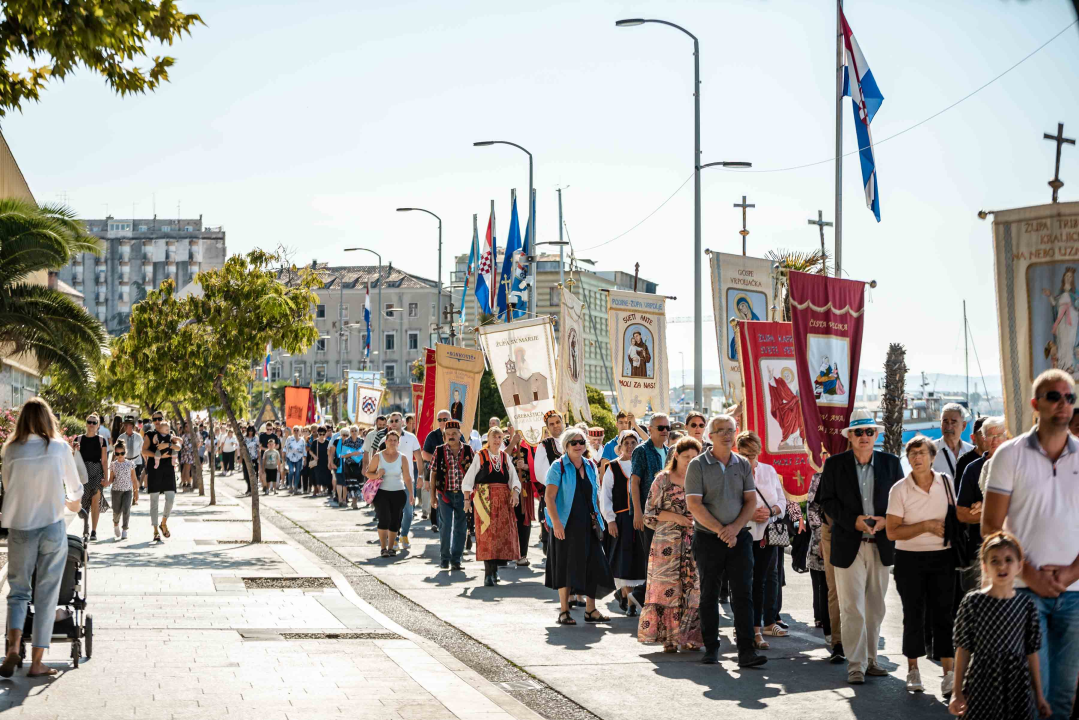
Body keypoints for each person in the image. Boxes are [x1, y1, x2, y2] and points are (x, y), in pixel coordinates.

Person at [983, 369, 1079, 719]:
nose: (1063, 404)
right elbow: (991, 527)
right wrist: (1031, 574)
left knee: (1063, 696)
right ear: (1036, 404)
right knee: (1028, 693)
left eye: (1070, 398)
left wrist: (1071, 573)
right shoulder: (1009, 455)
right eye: (1054, 397)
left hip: (1075, 593)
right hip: (1023, 592)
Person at [817, 408, 903, 684]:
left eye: (869, 431)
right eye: (858, 432)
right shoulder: (834, 464)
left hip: (881, 544)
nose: (864, 436)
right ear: (850, 436)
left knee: (875, 607)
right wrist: (852, 521)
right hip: (848, 544)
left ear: (876, 435)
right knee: (852, 606)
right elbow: (826, 502)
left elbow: (902, 500)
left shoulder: (892, 463)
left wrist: (886, 520)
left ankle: (872, 660)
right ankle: (856, 665)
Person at [0, 398, 84, 678]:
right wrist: (70, 504)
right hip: (51, 525)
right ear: (49, 419)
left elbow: (9, 486)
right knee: (47, 594)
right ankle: (37, 663)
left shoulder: (11, 449)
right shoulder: (59, 448)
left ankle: (13, 647)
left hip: (20, 526)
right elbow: (75, 491)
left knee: (18, 591)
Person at [684, 414, 764, 668]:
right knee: (709, 593)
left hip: (739, 538)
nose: (728, 435)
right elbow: (694, 505)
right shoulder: (697, 465)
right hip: (708, 539)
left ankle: (746, 651)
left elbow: (750, 501)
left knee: (743, 594)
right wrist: (722, 531)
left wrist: (735, 529)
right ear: (710, 436)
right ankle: (711, 647)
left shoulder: (742, 463)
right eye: (722, 430)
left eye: (731, 430)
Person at [950, 531, 1051, 720]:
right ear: (984, 566)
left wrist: (1039, 696)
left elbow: (1032, 652)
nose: (1002, 566)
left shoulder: (1026, 605)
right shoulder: (973, 602)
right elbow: (963, 649)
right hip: (981, 682)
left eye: (1008, 560)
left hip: (1016, 686)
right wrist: (956, 692)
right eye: (994, 561)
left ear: (1019, 565)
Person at [885, 435, 956, 695]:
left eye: (922, 453)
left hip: (943, 557)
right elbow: (892, 532)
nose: (917, 458)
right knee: (913, 615)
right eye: (912, 454)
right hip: (909, 559)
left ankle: (948, 674)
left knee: (944, 616)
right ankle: (913, 670)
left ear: (932, 457)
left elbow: (955, 516)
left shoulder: (946, 482)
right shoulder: (899, 489)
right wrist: (925, 526)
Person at [638, 436, 703, 652]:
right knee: (666, 588)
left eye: (694, 457)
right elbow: (649, 513)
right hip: (666, 544)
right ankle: (669, 638)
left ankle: (690, 637)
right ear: (676, 456)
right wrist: (677, 518)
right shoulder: (662, 480)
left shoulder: (699, 479)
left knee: (692, 587)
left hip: (694, 541)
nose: (690, 461)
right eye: (686, 457)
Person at [544, 427, 615, 625]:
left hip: (588, 524)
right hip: (565, 524)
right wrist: (556, 523)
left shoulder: (590, 465)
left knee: (594, 565)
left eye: (581, 442)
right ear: (565, 445)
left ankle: (591, 610)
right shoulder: (558, 466)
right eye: (573, 442)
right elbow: (549, 497)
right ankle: (564, 611)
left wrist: (600, 520)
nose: (578, 446)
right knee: (565, 567)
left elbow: (595, 496)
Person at [737, 430, 788, 649]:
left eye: (753, 455)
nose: (749, 460)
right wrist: (749, 514)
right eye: (745, 455)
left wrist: (772, 511)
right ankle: (743, 627)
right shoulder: (733, 472)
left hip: (767, 536)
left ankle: (757, 631)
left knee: (760, 582)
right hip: (742, 534)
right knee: (741, 583)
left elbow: (782, 502)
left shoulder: (769, 471)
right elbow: (727, 504)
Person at [956, 416, 1007, 603]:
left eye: (999, 435)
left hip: (1013, 551)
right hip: (980, 551)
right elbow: (962, 513)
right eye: (990, 436)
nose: (994, 440)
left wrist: (984, 508)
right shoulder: (973, 469)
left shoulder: (1017, 465)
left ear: (1007, 437)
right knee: (979, 607)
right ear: (983, 439)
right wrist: (997, 510)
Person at [462, 426, 522, 586]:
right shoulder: (480, 456)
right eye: (494, 437)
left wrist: (515, 493)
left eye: (499, 437)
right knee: (487, 536)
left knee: (500, 536)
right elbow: (468, 480)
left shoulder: (504, 457)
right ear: (488, 439)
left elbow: (514, 479)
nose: (496, 440)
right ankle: (488, 574)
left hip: (503, 500)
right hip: (484, 499)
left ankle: (494, 570)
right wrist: (467, 499)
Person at [600, 430, 647, 613]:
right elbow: (606, 496)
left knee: (640, 559)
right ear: (619, 446)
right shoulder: (612, 467)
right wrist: (610, 520)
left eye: (633, 442)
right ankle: (629, 601)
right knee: (624, 560)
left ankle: (636, 597)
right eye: (626, 443)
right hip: (621, 520)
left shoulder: (642, 465)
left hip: (641, 518)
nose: (630, 446)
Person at [628, 414, 670, 610]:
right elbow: (634, 482)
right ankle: (644, 598)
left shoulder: (669, 452)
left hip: (666, 515)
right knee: (651, 559)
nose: (665, 431)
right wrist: (638, 512)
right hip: (648, 515)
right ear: (650, 429)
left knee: (663, 559)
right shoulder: (641, 450)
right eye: (661, 428)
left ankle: (640, 596)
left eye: (667, 428)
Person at [431, 420, 473, 570]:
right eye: (448, 434)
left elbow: (474, 473)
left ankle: (456, 560)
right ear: (444, 436)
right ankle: (444, 558)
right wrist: (432, 497)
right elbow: (433, 474)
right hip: (445, 494)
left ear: (460, 434)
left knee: (461, 527)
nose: (451, 436)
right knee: (445, 526)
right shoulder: (439, 451)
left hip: (463, 495)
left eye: (454, 433)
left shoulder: (468, 450)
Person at [365, 429, 413, 558]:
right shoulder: (378, 456)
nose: (392, 442)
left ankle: (391, 548)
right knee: (384, 519)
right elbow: (368, 473)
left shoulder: (402, 457)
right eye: (390, 440)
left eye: (395, 440)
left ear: (398, 442)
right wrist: (377, 474)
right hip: (381, 493)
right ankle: (383, 548)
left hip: (398, 492)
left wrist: (411, 494)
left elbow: (407, 477)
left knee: (395, 521)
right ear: (386, 442)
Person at [377, 413, 422, 550]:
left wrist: (421, 476)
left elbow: (419, 458)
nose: (394, 423)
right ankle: (394, 538)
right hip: (389, 483)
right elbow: (377, 458)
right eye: (392, 421)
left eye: (397, 420)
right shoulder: (384, 440)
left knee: (409, 512)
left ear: (402, 422)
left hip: (408, 480)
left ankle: (404, 534)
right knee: (393, 513)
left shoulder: (411, 437)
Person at [807, 450, 833, 642]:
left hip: (844, 539)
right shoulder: (819, 478)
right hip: (821, 538)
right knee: (822, 582)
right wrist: (822, 533)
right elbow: (812, 510)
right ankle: (823, 620)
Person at [533, 411, 566, 554]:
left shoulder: (572, 440)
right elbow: (541, 473)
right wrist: (559, 482)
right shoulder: (544, 445)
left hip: (574, 491)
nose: (556, 426)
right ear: (547, 428)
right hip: (555, 493)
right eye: (552, 424)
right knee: (555, 527)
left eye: (558, 422)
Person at [142, 418, 179, 542]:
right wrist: (159, 455)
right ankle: (155, 529)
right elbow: (144, 450)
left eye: (159, 419)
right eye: (155, 419)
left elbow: (178, 446)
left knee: (171, 498)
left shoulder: (170, 433)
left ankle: (163, 523)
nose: (157, 421)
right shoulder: (150, 435)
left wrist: (168, 445)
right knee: (154, 501)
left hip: (168, 470)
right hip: (155, 469)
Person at [77, 413, 109, 540]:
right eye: (89, 422)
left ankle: (94, 531)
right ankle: (86, 526)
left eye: (94, 422)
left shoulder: (101, 440)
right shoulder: (79, 439)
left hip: (97, 472)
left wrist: (106, 478)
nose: (91, 424)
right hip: (83, 473)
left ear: (98, 425)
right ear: (86, 424)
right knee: (84, 503)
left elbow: (104, 461)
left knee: (95, 501)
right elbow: (74, 459)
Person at [422, 410, 452, 532]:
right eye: (440, 419)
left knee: (449, 498)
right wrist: (439, 459)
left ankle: (448, 523)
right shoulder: (432, 435)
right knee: (435, 494)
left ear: (450, 420)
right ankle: (434, 522)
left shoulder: (457, 434)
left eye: (445, 419)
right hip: (436, 471)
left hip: (452, 473)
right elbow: (424, 454)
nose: (442, 422)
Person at [107, 440, 138, 540]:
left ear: (125, 452)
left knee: (126, 509)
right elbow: (111, 479)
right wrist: (106, 483)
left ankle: (125, 529)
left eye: (122, 453)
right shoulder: (113, 464)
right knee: (116, 510)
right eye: (117, 453)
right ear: (115, 453)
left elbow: (134, 479)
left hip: (127, 491)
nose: (120, 455)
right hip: (116, 490)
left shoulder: (130, 464)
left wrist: (136, 491)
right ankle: (116, 524)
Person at [954, 416, 988, 490]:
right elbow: (959, 491)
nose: (986, 438)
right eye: (982, 434)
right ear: (973, 438)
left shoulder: (1000, 458)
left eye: (990, 434)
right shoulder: (964, 461)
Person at [336, 426, 365, 509]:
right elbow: (342, 455)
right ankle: (354, 502)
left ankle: (354, 501)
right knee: (353, 484)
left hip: (360, 465)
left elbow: (365, 453)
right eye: (352, 431)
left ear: (358, 432)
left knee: (359, 484)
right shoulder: (346, 441)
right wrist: (353, 454)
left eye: (355, 430)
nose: (354, 432)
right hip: (349, 465)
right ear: (350, 432)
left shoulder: (362, 441)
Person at [118, 416, 144, 497]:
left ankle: (135, 494)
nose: (125, 427)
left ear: (132, 426)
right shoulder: (121, 437)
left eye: (127, 425)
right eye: (125, 425)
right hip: (125, 461)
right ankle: (129, 495)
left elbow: (142, 449)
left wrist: (145, 460)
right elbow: (117, 449)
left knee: (136, 479)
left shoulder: (138, 437)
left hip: (137, 460)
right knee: (127, 479)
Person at [308, 426, 333, 497]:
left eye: (323, 434)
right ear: (318, 434)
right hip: (317, 462)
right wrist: (314, 456)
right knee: (318, 476)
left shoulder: (327, 442)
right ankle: (319, 491)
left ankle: (324, 490)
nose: (322, 436)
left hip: (325, 461)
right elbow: (310, 451)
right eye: (320, 434)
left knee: (325, 476)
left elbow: (330, 452)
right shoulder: (315, 442)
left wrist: (330, 462)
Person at [285, 426, 306, 495]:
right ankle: (290, 486)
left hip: (299, 458)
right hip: (290, 457)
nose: (296, 431)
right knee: (291, 471)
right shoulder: (289, 438)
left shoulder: (302, 440)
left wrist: (304, 459)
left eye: (297, 430)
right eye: (295, 430)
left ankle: (295, 487)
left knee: (297, 473)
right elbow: (285, 448)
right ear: (292, 431)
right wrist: (283, 456)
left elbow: (304, 450)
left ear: (299, 431)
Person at [241, 425, 260, 497]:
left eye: (252, 431)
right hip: (246, 458)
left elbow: (258, 448)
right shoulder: (244, 438)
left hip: (254, 458)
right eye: (249, 430)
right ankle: (249, 488)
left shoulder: (256, 438)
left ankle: (253, 489)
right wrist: (241, 457)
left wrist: (259, 457)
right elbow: (242, 448)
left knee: (254, 474)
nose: (250, 432)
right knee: (246, 475)